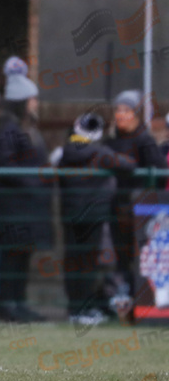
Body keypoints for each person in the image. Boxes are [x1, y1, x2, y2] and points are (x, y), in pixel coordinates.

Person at [54, 113, 136, 325]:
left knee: (72, 262)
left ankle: (75, 309)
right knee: (87, 265)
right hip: (92, 217)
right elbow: (128, 164)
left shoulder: (64, 152)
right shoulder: (100, 153)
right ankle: (83, 310)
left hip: (70, 215)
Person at [0, 71, 50, 323]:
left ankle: (19, 302)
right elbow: (6, 163)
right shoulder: (8, 129)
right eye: (31, 98)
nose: (35, 102)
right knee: (11, 257)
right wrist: (35, 181)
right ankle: (7, 303)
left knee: (22, 256)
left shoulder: (25, 127)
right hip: (13, 207)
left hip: (27, 207)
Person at [104, 89, 168, 320]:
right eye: (118, 110)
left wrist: (142, 191)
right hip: (116, 209)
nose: (121, 114)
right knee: (120, 257)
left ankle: (141, 306)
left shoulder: (144, 139)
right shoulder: (111, 139)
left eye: (127, 110)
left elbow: (160, 170)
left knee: (138, 257)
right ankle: (122, 304)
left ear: (136, 114)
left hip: (139, 212)